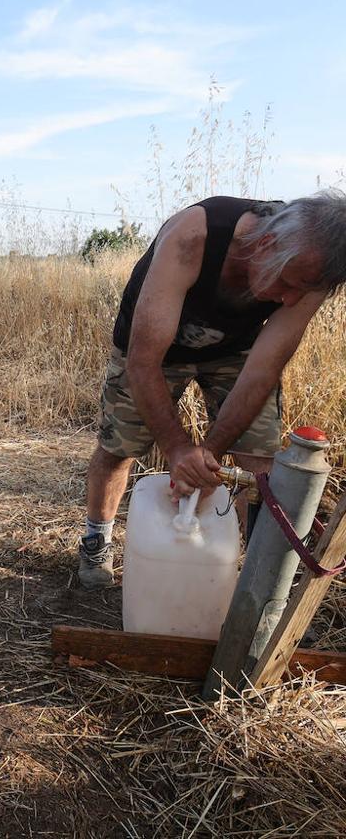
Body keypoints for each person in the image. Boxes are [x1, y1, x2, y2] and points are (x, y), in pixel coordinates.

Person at [77, 191, 346, 589]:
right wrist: (177, 449)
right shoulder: (194, 237)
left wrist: (207, 457)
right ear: (266, 245)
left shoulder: (312, 269)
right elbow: (144, 360)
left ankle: (257, 571)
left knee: (258, 456)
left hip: (236, 349)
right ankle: (96, 539)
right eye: (287, 283)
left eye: (301, 291)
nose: (289, 299)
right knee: (121, 444)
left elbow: (262, 371)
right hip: (155, 347)